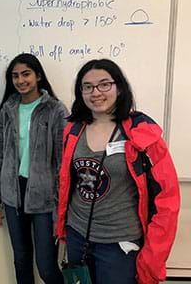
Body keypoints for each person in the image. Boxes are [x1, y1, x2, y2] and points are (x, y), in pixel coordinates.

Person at [56, 59, 180, 284]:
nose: (96, 92)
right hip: (77, 237)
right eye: (88, 87)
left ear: (119, 87)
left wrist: (154, 257)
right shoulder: (73, 130)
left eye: (104, 84)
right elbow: (67, 183)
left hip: (119, 245)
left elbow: (167, 200)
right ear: (80, 92)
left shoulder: (142, 133)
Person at [0, 53, 67, 284]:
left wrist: (62, 206)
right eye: (15, 76)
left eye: (26, 74)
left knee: (46, 267)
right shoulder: (8, 109)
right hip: (13, 195)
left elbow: (64, 160)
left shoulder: (55, 110)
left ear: (38, 76)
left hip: (45, 199)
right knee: (21, 261)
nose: (21, 80)